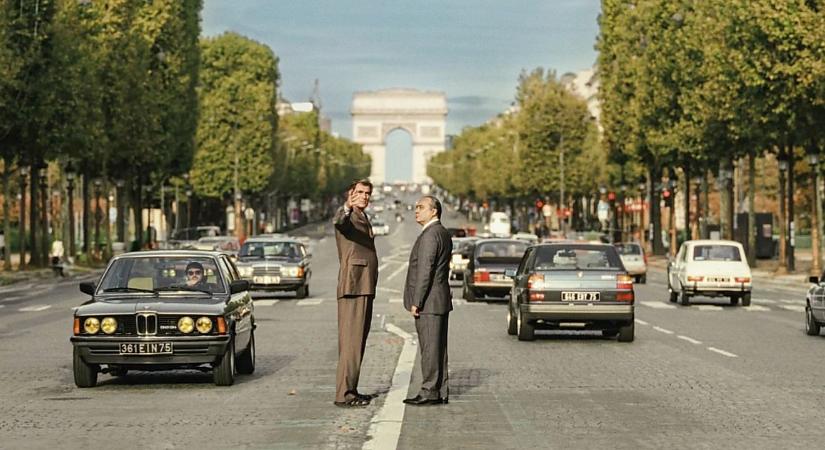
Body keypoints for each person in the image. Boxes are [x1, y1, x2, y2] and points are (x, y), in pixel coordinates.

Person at [332, 179, 379, 408]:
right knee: (351, 342)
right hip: (354, 285)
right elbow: (339, 222)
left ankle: (351, 389)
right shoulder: (348, 215)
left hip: (363, 285)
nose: (364, 196)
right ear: (350, 195)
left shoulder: (363, 215)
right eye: (359, 192)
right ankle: (344, 394)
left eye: (367, 193)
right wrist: (347, 207)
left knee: (357, 341)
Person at [402, 195, 453, 406]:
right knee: (438, 348)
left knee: (430, 349)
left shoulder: (430, 235)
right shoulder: (442, 232)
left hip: (429, 301)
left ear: (434, 211)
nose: (416, 211)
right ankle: (440, 390)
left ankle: (429, 391)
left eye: (421, 207)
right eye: (416, 207)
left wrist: (417, 301)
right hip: (439, 299)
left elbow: (425, 271)